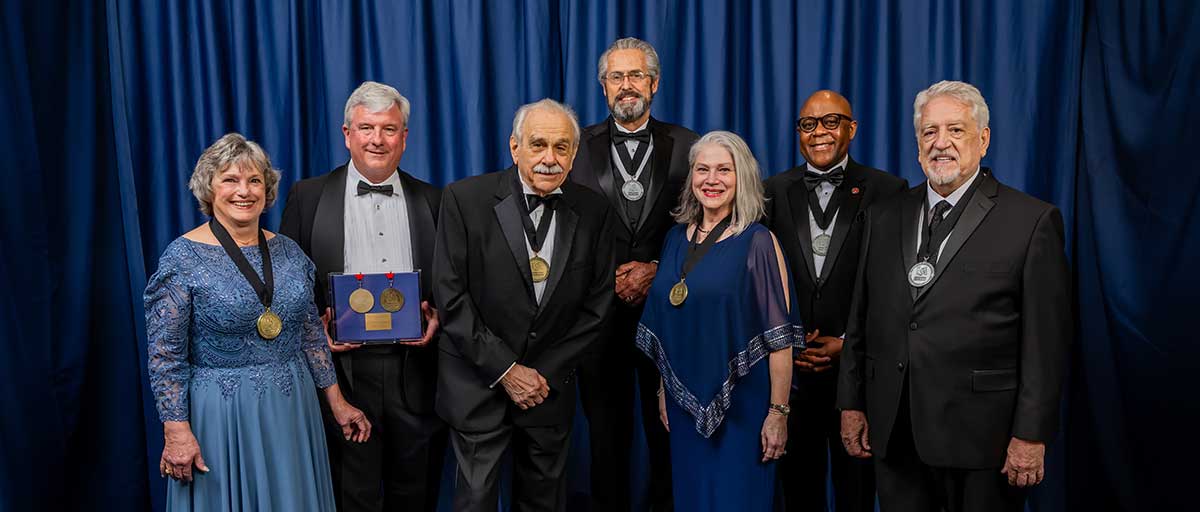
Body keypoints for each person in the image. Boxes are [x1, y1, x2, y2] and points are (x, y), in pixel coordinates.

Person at [837, 80, 1071, 512]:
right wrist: (850, 403)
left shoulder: (1032, 220)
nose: (940, 143)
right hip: (895, 430)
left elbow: (1047, 343)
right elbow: (861, 318)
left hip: (985, 438)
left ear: (983, 139)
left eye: (955, 130)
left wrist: (1031, 433)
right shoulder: (884, 215)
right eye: (929, 132)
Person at [146, 133, 371, 511]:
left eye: (254, 181)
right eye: (230, 180)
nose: (244, 191)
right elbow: (165, 356)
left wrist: (338, 402)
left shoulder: (289, 251)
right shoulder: (181, 259)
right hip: (221, 414)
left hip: (292, 406)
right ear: (208, 188)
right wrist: (176, 430)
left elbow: (310, 334)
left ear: (267, 191)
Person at [432, 99, 617, 511]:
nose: (549, 159)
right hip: (478, 386)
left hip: (548, 393)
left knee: (544, 503)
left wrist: (541, 375)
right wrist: (506, 370)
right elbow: (451, 297)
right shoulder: (465, 199)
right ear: (515, 148)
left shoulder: (595, 211)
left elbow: (597, 307)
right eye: (538, 145)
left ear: (574, 154)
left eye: (561, 147)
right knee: (475, 502)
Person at [279, 81, 446, 512]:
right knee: (352, 495)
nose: (377, 139)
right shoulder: (307, 197)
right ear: (346, 133)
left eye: (389, 129)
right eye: (366, 128)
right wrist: (315, 329)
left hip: (417, 370)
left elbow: (454, 281)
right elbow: (286, 285)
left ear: (405, 137)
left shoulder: (435, 199)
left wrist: (439, 318)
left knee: (417, 493)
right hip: (342, 374)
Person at [636, 131, 804, 512]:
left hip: (743, 408)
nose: (712, 180)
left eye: (724, 170)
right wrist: (666, 392)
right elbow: (665, 325)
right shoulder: (675, 239)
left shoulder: (758, 241)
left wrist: (778, 414)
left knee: (737, 499)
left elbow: (779, 340)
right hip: (682, 406)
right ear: (691, 177)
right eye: (703, 169)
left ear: (741, 177)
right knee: (692, 498)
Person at [569, 37, 699, 511]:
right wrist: (610, 277)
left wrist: (657, 271)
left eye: (636, 75)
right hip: (597, 321)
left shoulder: (689, 145)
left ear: (655, 83)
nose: (627, 86)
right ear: (603, 87)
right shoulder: (575, 145)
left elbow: (707, 230)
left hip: (669, 314)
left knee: (669, 433)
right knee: (605, 436)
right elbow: (565, 231)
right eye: (617, 77)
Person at [763, 90, 907, 511]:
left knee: (857, 492)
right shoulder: (772, 191)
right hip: (792, 375)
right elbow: (760, 281)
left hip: (859, 373)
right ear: (798, 133)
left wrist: (847, 341)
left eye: (831, 121)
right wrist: (788, 343)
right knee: (798, 493)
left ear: (852, 128)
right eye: (809, 124)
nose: (820, 132)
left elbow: (895, 283)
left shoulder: (888, 189)